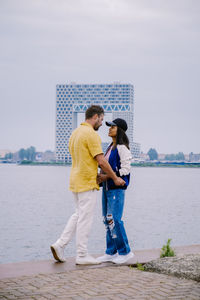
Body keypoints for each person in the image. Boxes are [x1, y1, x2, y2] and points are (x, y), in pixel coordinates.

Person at [50, 106, 125, 265]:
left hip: (75, 181)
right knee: (85, 218)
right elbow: (101, 161)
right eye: (102, 119)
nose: (102, 123)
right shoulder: (91, 135)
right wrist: (115, 178)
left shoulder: (75, 133)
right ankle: (82, 254)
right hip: (87, 182)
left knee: (78, 215)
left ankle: (60, 245)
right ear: (96, 116)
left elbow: (81, 157)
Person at [97, 118, 134, 264]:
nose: (109, 128)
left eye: (112, 126)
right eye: (109, 126)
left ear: (119, 130)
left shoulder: (122, 148)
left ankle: (125, 252)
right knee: (107, 220)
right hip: (107, 189)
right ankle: (111, 252)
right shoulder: (109, 147)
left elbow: (125, 170)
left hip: (116, 189)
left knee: (115, 220)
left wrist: (106, 176)